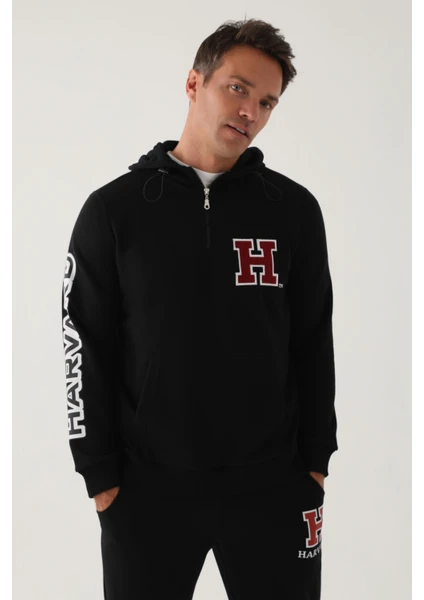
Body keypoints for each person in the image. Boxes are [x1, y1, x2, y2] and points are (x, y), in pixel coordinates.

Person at [61, 17, 338, 600]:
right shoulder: (115, 210)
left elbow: (313, 340)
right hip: (146, 491)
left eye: (267, 102)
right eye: (238, 88)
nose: (251, 111)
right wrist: (99, 472)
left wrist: (315, 462)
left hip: (274, 487)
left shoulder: (292, 211)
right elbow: (84, 343)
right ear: (194, 83)